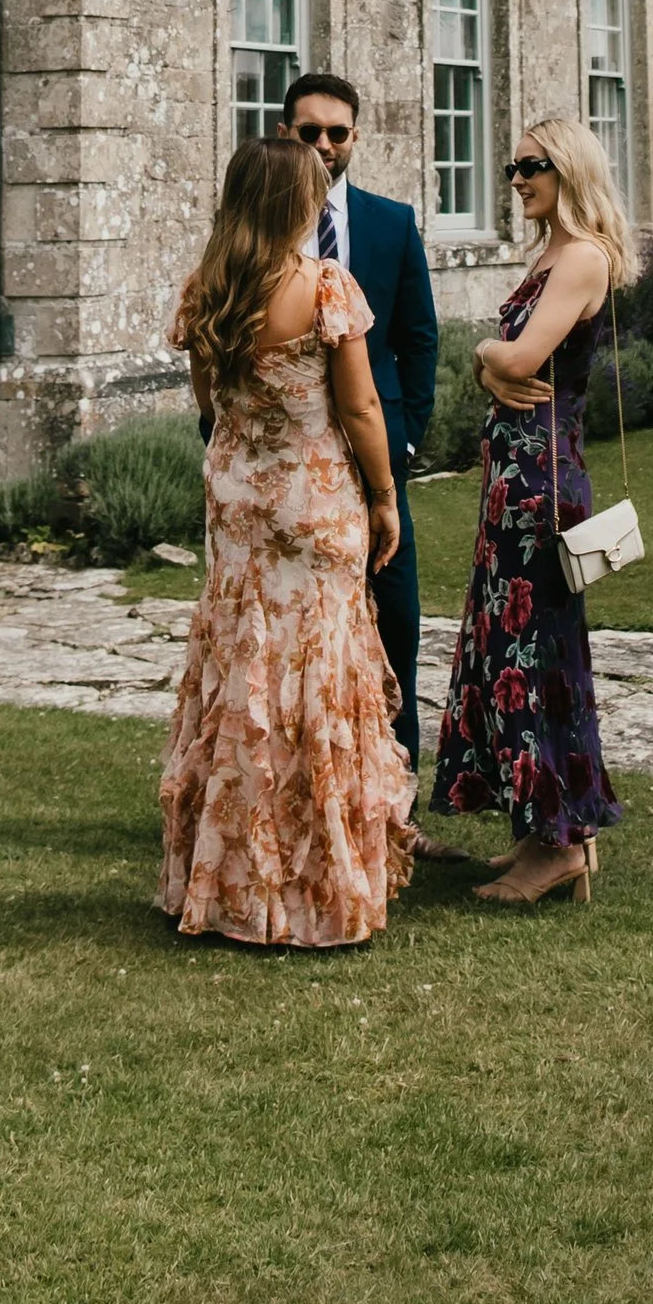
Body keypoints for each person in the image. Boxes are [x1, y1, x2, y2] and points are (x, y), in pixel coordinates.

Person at [158, 132, 417, 949]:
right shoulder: (325, 287)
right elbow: (363, 409)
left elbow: (210, 403)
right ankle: (316, 885)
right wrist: (384, 499)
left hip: (237, 497)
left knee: (242, 672)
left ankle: (233, 882)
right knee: (317, 676)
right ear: (298, 202)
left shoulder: (206, 289)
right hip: (313, 500)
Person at [432, 114, 634, 907]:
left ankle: (559, 849)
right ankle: (541, 834)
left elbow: (517, 360)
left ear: (569, 169)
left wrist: (486, 357)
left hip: (541, 488)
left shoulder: (582, 256)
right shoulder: (549, 252)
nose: (517, 179)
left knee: (534, 660)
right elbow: (511, 374)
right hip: (514, 478)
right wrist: (494, 375)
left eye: (532, 166)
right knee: (506, 654)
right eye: (513, 167)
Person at [281, 70, 440, 807]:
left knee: (393, 619)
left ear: (355, 138)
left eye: (336, 132)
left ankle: (396, 798)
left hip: (377, 457)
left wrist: (403, 443)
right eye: (308, 131)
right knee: (296, 638)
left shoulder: (389, 222)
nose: (322, 144)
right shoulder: (256, 231)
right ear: (286, 133)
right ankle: (306, 796)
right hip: (286, 472)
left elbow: (417, 339)